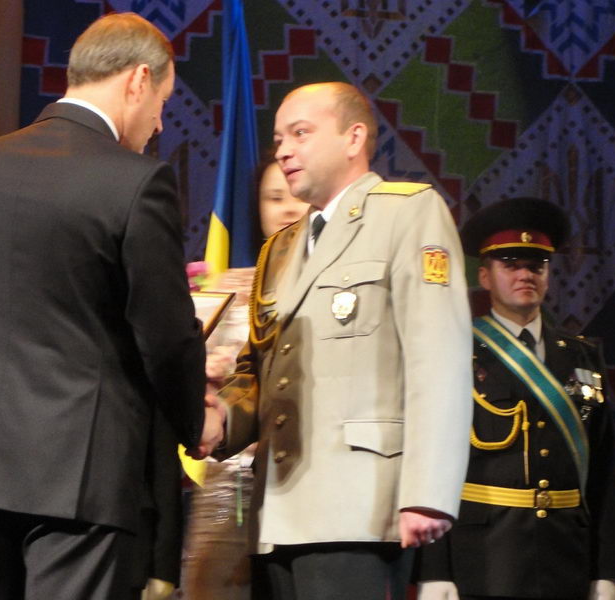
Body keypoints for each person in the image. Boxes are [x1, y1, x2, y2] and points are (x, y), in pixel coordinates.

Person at [0, 12, 221, 599]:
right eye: (162, 102)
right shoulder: (137, 182)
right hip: (83, 477)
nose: (159, 124)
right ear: (138, 80)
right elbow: (165, 337)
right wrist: (197, 420)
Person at [206, 82, 474, 600]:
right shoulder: (279, 248)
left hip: (360, 508)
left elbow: (439, 359)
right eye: (279, 139)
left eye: (300, 134)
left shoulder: (406, 213)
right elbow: (260, 371)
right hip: (276, 511)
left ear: (354, 138)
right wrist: (218, 419)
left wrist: (428, 493)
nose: (284, 151)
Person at [416, 197, 615, 600]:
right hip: (484, 556)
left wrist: (608, 572)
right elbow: (431, 461)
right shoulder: (455, 350)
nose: (525, 274)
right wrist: (434, 571)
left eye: (537, 265)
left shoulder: (581, 356)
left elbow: (602, 472)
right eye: (510, 264)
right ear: (485, 276)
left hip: (567, 555)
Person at [179, 157, 309, 600]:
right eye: (273, 197)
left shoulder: (331, 291)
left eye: (294, 195)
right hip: (227, 480)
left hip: (298, 477)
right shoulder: (226, 288)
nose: (287, 207)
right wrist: (204, 372)